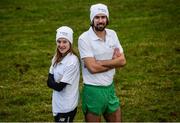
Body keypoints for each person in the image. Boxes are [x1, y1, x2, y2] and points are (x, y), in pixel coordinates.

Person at [78, 3, 126, 122]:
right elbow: (92, 68)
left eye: (103, 17)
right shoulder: (84, 38)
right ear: (92, 19)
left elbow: (123, 61)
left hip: (110, 89)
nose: (100, 20)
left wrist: (100, 62)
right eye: (97, 17)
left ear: (107, 19)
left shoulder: (112, 34)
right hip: (93, 91)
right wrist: (114, 63)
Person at [47, 26, 80, 122]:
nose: (61, 45)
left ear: (70, 43)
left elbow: (59, 87)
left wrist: (52, 83)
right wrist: (53, 83)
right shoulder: (56, 57)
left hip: (67, 107)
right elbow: (48, 80)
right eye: (59, 41)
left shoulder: (72, 61)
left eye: (64, 42)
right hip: (57, 104)